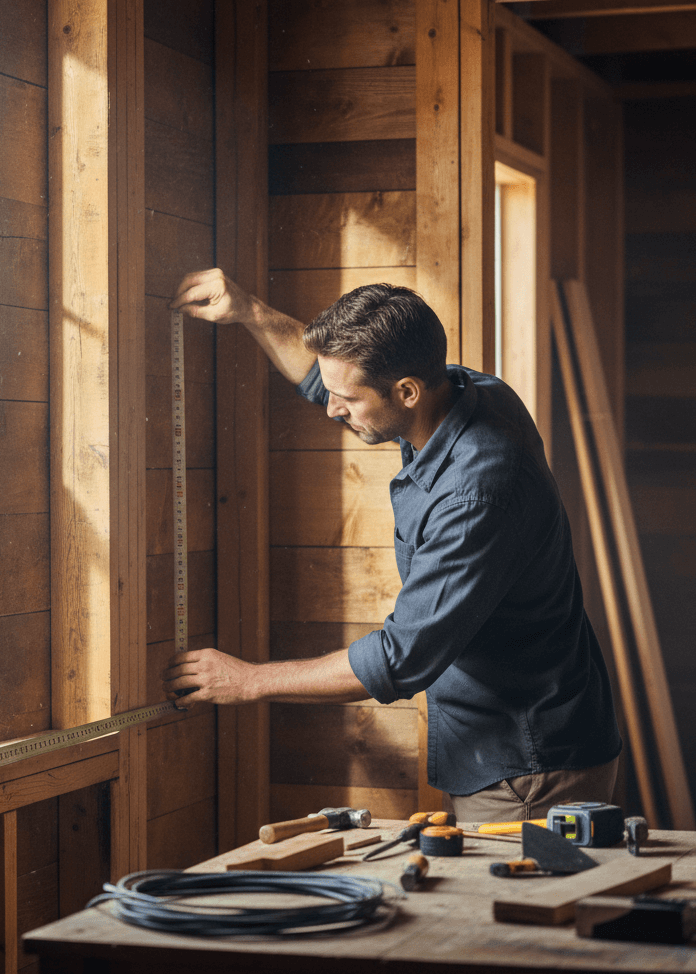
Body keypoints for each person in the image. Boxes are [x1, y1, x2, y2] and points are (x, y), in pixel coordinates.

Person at [161, 268, 622, 822]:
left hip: (527, 768)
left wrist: (248, 681)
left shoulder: (476, 494)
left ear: (406, 391)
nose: (332, 409)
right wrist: (250, 311)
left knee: (510, 909)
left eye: (347, 399)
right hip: (519, 745)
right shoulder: (468, 392)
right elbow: (325, 379)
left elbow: (402, 658)